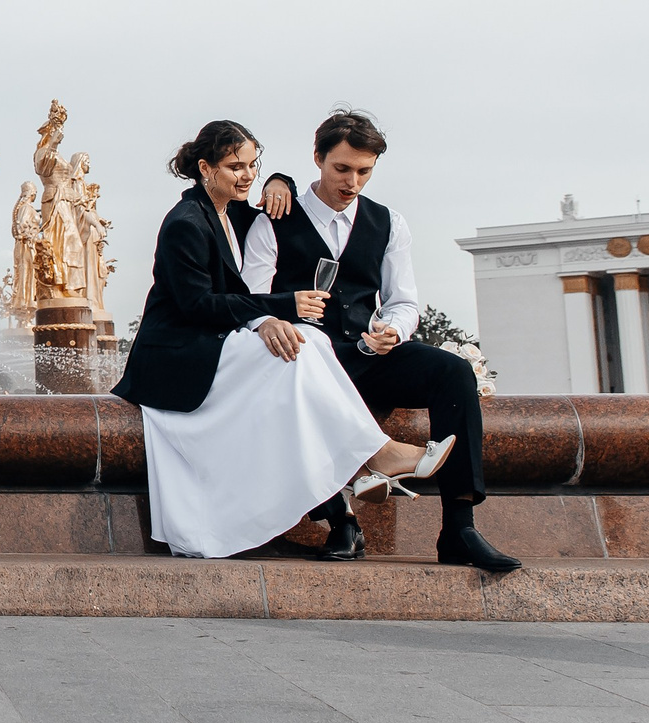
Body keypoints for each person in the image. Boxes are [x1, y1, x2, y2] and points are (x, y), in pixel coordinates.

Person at [109, 120, 452, 560]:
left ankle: (360, 479)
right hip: (178, 354)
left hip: (215, 341)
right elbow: (197, 305)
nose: (247, 175)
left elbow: (280, 197)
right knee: (297, 351)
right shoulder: (185, 223)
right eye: (235, 167)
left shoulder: (234, 212)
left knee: (307, 342)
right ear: (205, 168)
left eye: (253, 164)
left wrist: (279, 180)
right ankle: (377, 455)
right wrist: (279, 308)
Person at [248, 109, 519, 573]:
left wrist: (392, 329)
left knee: (453, 373)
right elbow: (251, 300)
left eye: (364, 171)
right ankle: (341, 521)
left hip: (366, 354)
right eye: (342, 168)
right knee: (294, 381)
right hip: (303, 360)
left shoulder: (389, 222)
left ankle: (459, 527)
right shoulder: (273, 219)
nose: (352, 182)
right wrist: (280, 317)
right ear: (318, 158)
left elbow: (404, 301)